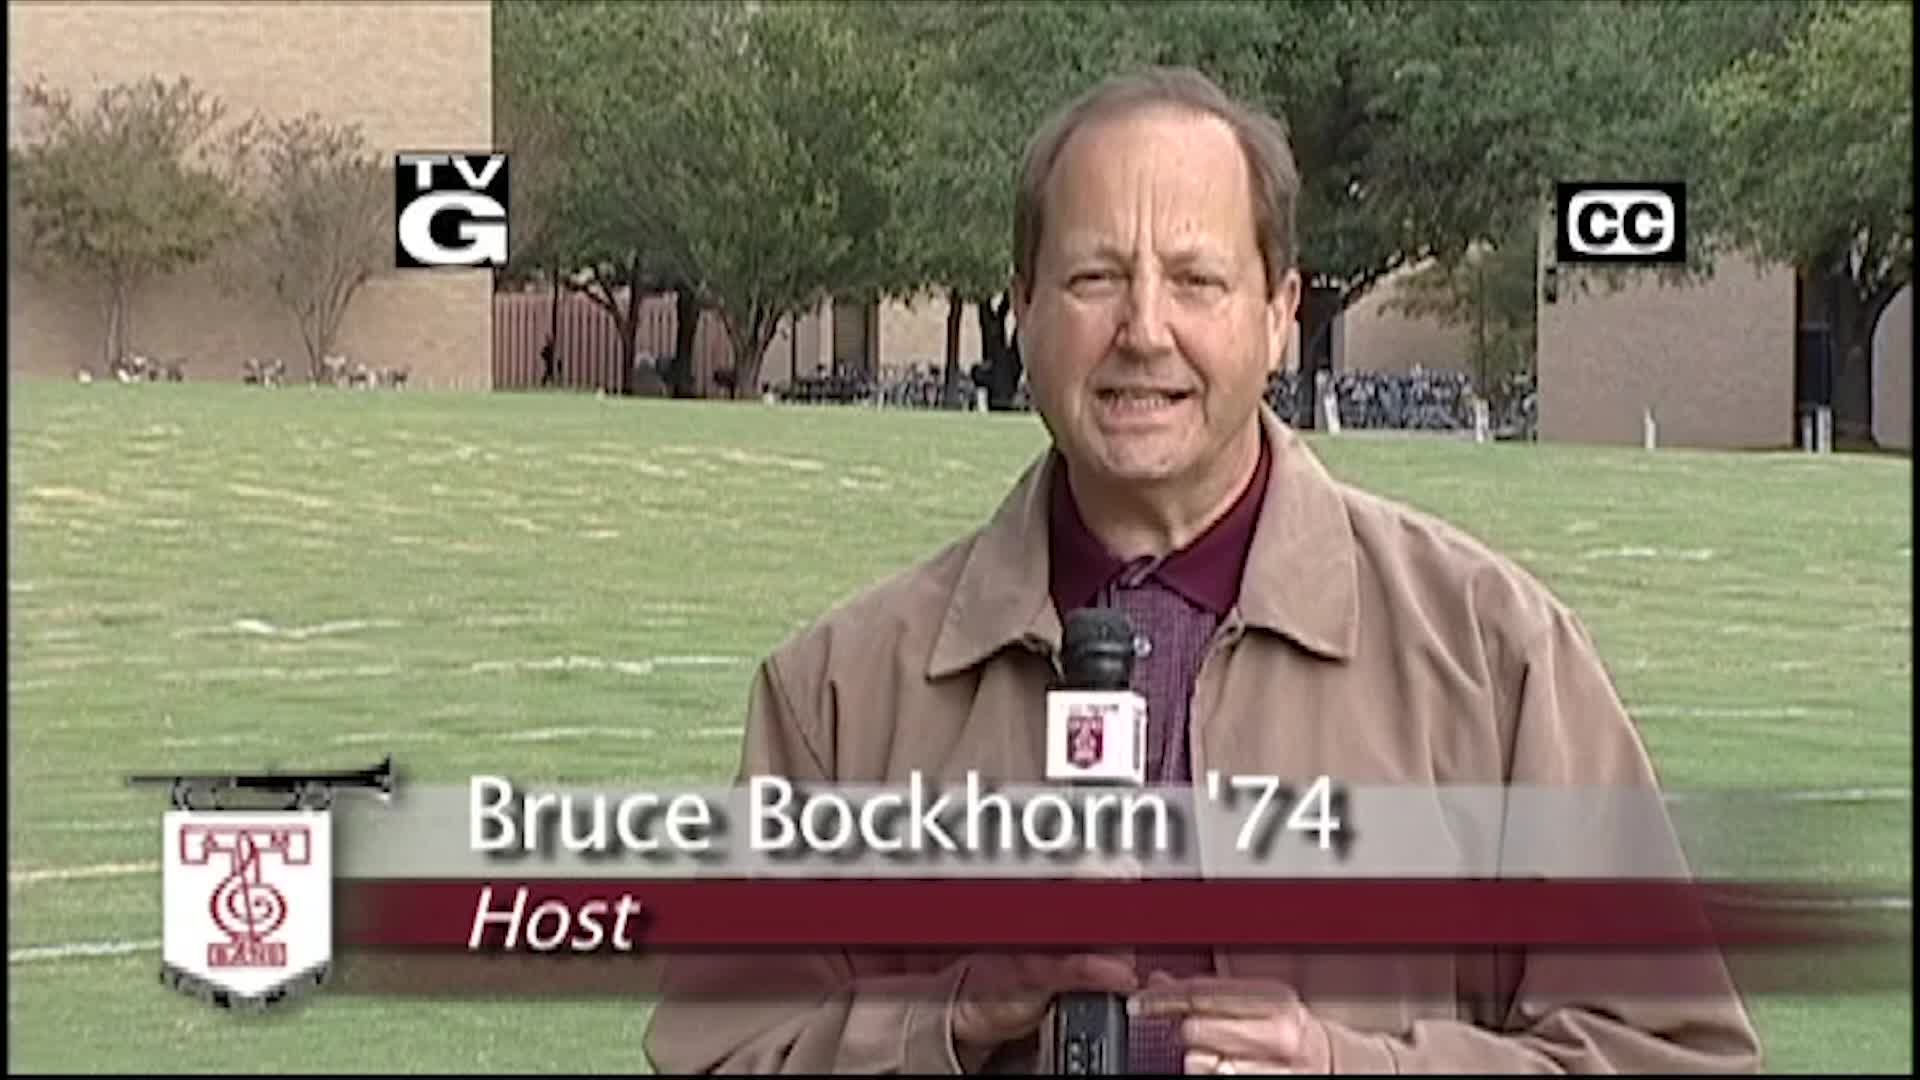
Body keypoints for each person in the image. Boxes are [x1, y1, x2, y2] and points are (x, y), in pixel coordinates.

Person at [645, 66, 1762, 1074]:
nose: (1144, 329)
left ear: (1279, 315)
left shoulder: (1494, 657)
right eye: (1094, 277)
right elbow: (721, 1052)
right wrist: (953, 1017)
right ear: (1023, 308)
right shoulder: (839, 696)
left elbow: (1672, 1055)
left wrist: (1351, 1067)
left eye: (1196, 280)